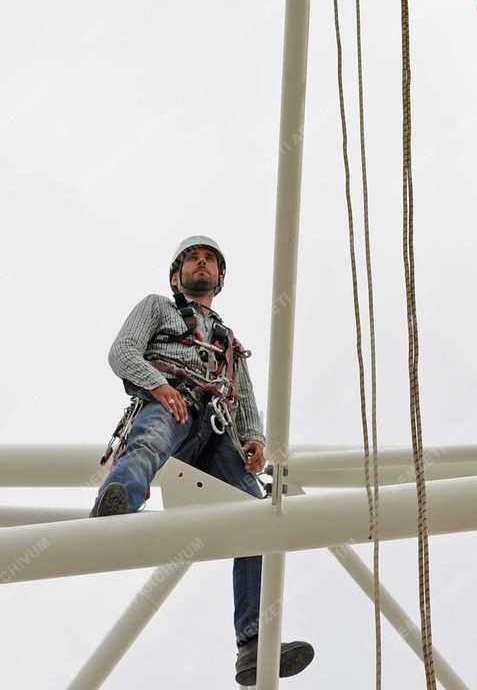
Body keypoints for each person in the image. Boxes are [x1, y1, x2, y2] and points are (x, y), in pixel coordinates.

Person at [89, 236, 315, 686]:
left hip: (219, 431)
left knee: (257, 517)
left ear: (219, 277)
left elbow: (245, 397)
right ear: (178, 275)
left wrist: (254, 439)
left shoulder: (230, 343)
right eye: (193, 258)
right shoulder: (158, 308)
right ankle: (115, 507)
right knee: (149, 443)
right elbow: (123, 352)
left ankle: (253, 644)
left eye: (209, 259)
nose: (201, 263)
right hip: (172, 403)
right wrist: (159, 387)